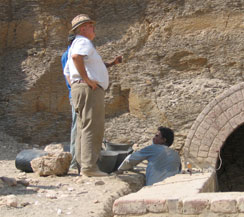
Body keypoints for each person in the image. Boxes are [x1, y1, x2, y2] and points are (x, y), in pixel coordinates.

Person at [63, 14, 122, 177]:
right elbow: (76, 58)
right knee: (93, 126)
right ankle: (90, 167)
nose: (93, 28)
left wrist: (76, 82)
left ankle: (84, 166)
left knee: (83, 127)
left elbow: (67, 71)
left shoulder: (75, 44)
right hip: (88, 90)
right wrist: (87, 80)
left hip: (80, 89)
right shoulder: (83, 41)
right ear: (82, 28)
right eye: (90, 25)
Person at [117, 127, 182, 186]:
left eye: (157, 136)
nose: (153, 138)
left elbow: (131, 160)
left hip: (154, 188)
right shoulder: (176, 155)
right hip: (171, 187)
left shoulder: (154, 148)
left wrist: (120, 169)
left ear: (163, 140)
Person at [61, 33, 80, 173]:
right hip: (76, 94)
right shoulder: (70, 55)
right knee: (77, 127)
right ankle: (74, 162)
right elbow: (68, 73)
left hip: (75, 93)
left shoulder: (68, 54)